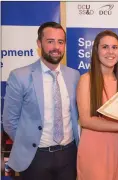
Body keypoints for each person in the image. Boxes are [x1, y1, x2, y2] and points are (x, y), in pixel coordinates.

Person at [3, 21, 80, 180]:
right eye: (50, 41)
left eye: (60, 42)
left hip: (69, 155)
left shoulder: (74, 75)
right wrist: (28, 142)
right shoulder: (20, 76)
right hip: (35, 158)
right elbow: (10, 121)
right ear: (39, 43)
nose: (56, 47)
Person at [76, 30, 118, 180]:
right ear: (96, 51)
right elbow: (86, 120)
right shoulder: (86, 80)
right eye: (105, 47)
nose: (110, 52)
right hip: (95, 149)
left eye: (115, 47)